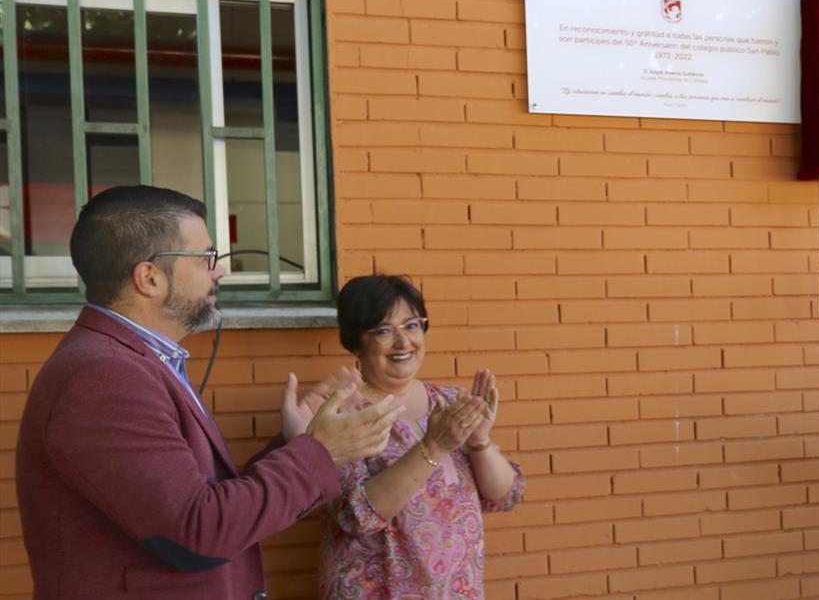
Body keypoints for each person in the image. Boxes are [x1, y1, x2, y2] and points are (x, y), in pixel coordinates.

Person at [16, 185, 406, 599]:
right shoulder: (104, 377)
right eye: (206, 259)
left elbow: (210, 505)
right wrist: (320, 453)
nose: (220, 271)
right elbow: (197, 532)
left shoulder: (138, 361)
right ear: (149, 278)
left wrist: (298, 444)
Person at [320, 275, 524, 599]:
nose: (403, 342)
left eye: (412, 325)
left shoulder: (449, 402)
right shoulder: (343, 415)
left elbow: (505, 494)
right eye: (384, 330)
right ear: (356, 341)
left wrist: (480, 442)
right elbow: (355, 515)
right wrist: (433, 447)